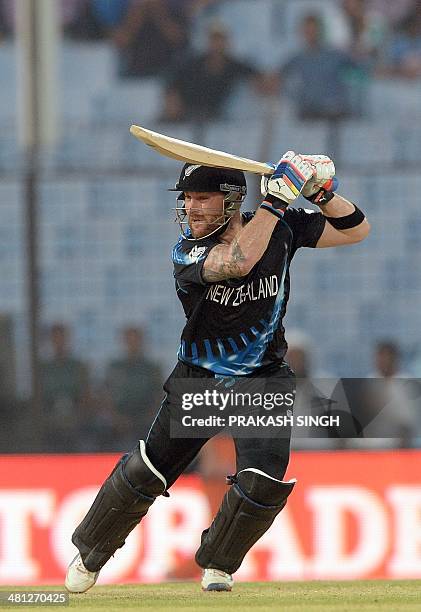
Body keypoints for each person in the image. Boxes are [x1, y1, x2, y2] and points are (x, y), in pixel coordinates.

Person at [65, 151, 370, 593]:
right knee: (148, 473)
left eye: (202, 198)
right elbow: (239, 261)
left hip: (262, 378)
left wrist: (321, 192)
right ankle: (91, 552)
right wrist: (278, 200)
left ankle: (218, 564)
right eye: (187, 198)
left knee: (263, 481)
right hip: (200, 379)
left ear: (231, 200)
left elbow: (357, 229)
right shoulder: (188, 251)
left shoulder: (280, 228)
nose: (190, 208)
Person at [162, 21, 266, 122]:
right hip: (187, 117)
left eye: (220, 39)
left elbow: (257, 77)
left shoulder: (234, 66)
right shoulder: (192, 66)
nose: (217, 44)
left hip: (218, 119)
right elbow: (173, 84)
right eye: (214, 39)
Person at [280, 13, 362, 120]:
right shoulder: (296, 59)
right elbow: (277, 79)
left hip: (336, 112)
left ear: (321, 31)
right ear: (301, 32)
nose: (311, 34)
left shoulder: (336, 55)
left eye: (314, 30)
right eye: (307, 30)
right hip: (309, 114)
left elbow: (360, 71)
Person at [102, 325, 162, 448]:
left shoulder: (152, 368)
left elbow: (160, 397)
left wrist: (149, 418)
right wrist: (117, 419)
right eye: (129, 340)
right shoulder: (115, 367)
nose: (132, 344)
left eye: (136, 340)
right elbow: (105, 397)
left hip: (146, 418)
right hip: (119, 419)